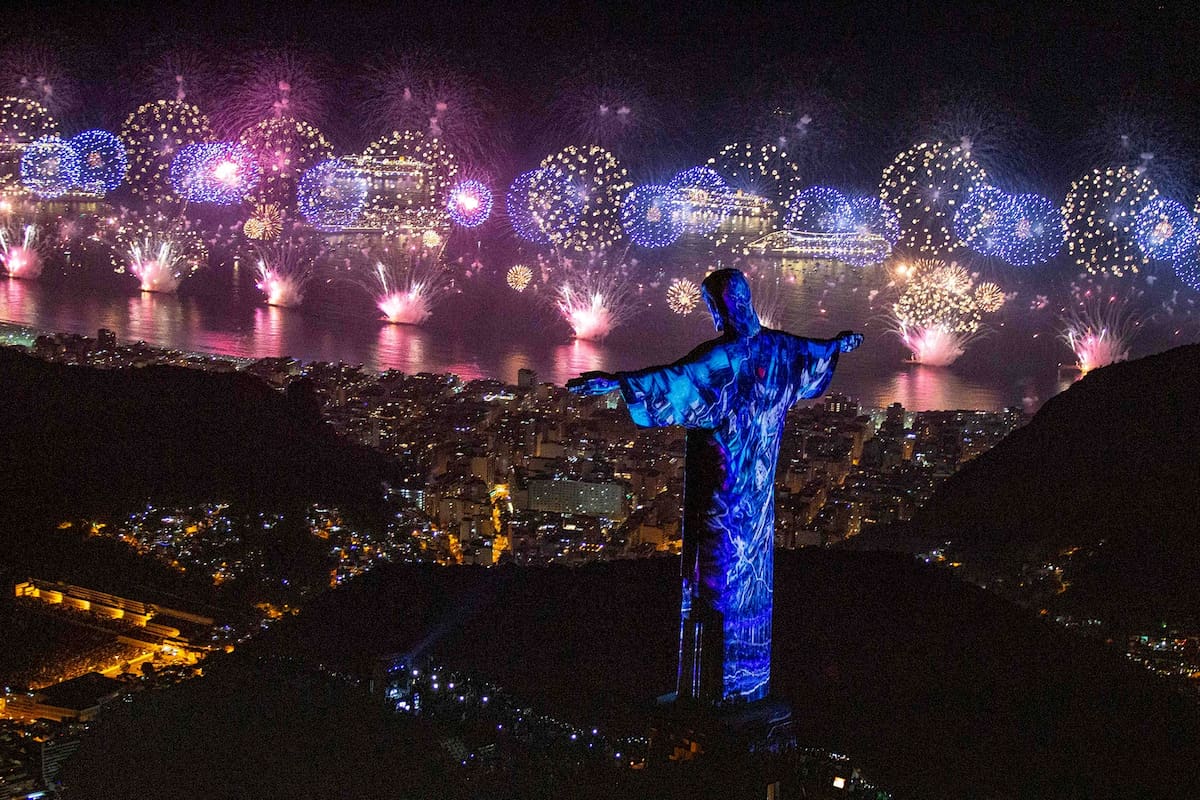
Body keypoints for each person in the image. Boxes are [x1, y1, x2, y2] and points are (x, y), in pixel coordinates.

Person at [568, 268, 862, 705]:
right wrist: (839, 344)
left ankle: (712, 692)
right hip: (759, 499)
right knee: (752, 581)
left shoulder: (722, 360)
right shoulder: (781, 350)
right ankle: (749, 684)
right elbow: (815, 355)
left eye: (712, 305)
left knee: (713, 582)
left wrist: (616, 382)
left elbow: (674, 381)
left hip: (721, 494)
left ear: (719, 306)